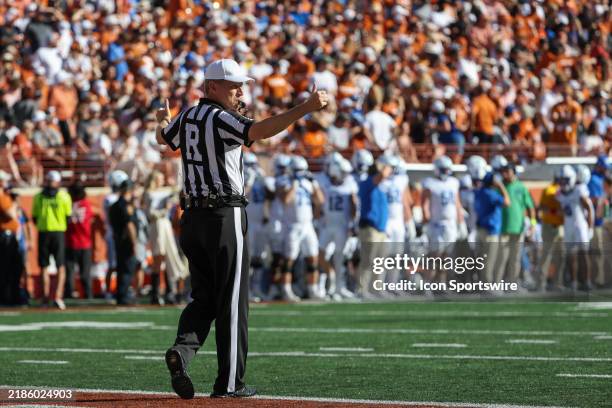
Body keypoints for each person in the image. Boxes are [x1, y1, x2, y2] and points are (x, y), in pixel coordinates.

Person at [156, 58, 328, 399]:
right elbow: (258, 132)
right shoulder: (220, 118)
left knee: (203, 297)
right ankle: (230, 383)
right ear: (211, 87)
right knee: (232, 301)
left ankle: (182, 351)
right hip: (224, 215)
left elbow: (164, 137)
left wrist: (162, 121)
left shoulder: (189, 115)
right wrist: (305, 107)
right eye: (233, 84)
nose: (240, 90)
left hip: (192, 218)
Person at [278, 155, 325, 300]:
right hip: (292, 226)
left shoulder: (308, 182)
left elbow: (320, 201)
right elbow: (286, 199)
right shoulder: (284, 181)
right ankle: (286, 290)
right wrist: (294, 183)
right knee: (289, 259)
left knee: (313, 258)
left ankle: (313, 289)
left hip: (308, 225)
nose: (301, 172)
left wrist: (315, 184)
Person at [492, 156, 536, 287]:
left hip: (518, 227)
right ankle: (497, 283)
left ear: (513, 172)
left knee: (516, 258)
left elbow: (530, 207)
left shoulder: (521, 187)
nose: (505, 174)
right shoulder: (500, 188)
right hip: (503, 228)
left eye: (508, 171)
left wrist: (532, 225)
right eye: (503, 172)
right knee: (501, 258)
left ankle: (513, 283)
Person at [32, 171, 72, 309]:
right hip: (58, 232)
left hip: (44, 232)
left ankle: (46, 297)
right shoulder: (64, 196)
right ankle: (57, 296)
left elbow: (34, 217)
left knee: (45, 266)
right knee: (59, 266)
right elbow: (68, 216)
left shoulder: (38, 197)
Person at [357, 154, 394, 298]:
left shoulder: (381, 188)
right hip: (369, 227)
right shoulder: (366, 183)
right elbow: (379, 178)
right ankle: (362, 289)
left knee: (380, 260)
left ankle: (376, 287)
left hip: (381, 228)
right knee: (368, 259)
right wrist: (385, 168)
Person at [556, 165, 594, 291]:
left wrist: (590, 227)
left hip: (581, 226)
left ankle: (587, 281)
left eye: (565, 180)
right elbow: (562, 210)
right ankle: (574, 282)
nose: (563, 183)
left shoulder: (579, 190)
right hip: (568, 226)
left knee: (584, 255)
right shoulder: (559, 194)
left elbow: (589, 208)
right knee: (571, 256)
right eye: (561, 180)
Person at [108, 179, 138, 305]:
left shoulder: (114, 205)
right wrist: (134, 243)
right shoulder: (126, 205)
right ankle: (123, 295)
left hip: (118, 240)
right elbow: (129, 225)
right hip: (126, 241)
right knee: (127, 269)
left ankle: (121, 295)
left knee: (121, 268)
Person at [536, 170, 565, 291]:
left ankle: (558, 283)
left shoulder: (564, 191)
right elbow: (543, 207)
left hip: (560, 226)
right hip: (549, 225)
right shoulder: (549, 190)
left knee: (560, 256)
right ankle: (541, 284)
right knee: (546, 255)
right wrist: (555, 211)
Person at [65, 181, 94, 299]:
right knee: (85, 272)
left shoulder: (68, 204)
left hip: (71, 242)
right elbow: (90, 219)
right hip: (85, 242)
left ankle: (69, 293)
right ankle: (88, 294)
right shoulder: (86, 204)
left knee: (70, 271)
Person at [0, 170, 23, 306]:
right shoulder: (2, 197)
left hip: (9, 236)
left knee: (12, 268)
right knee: (7, 268)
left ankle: (10, 296)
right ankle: (6, 297)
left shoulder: (4, 195)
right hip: (5, 236)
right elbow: (11, 214)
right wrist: (15, 202)